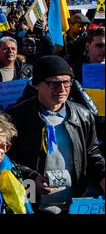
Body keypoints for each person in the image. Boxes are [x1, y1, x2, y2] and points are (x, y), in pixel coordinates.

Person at [8, 55, 105, 214]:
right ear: (37, 84)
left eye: (67, 83)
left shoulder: (83, 116)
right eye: (54, 83)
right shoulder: (16, 117)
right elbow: (6, 159)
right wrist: (31, 179)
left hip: (74, 205)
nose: (62, 89)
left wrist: (102, 176)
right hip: (31, 204)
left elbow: (92, 153)